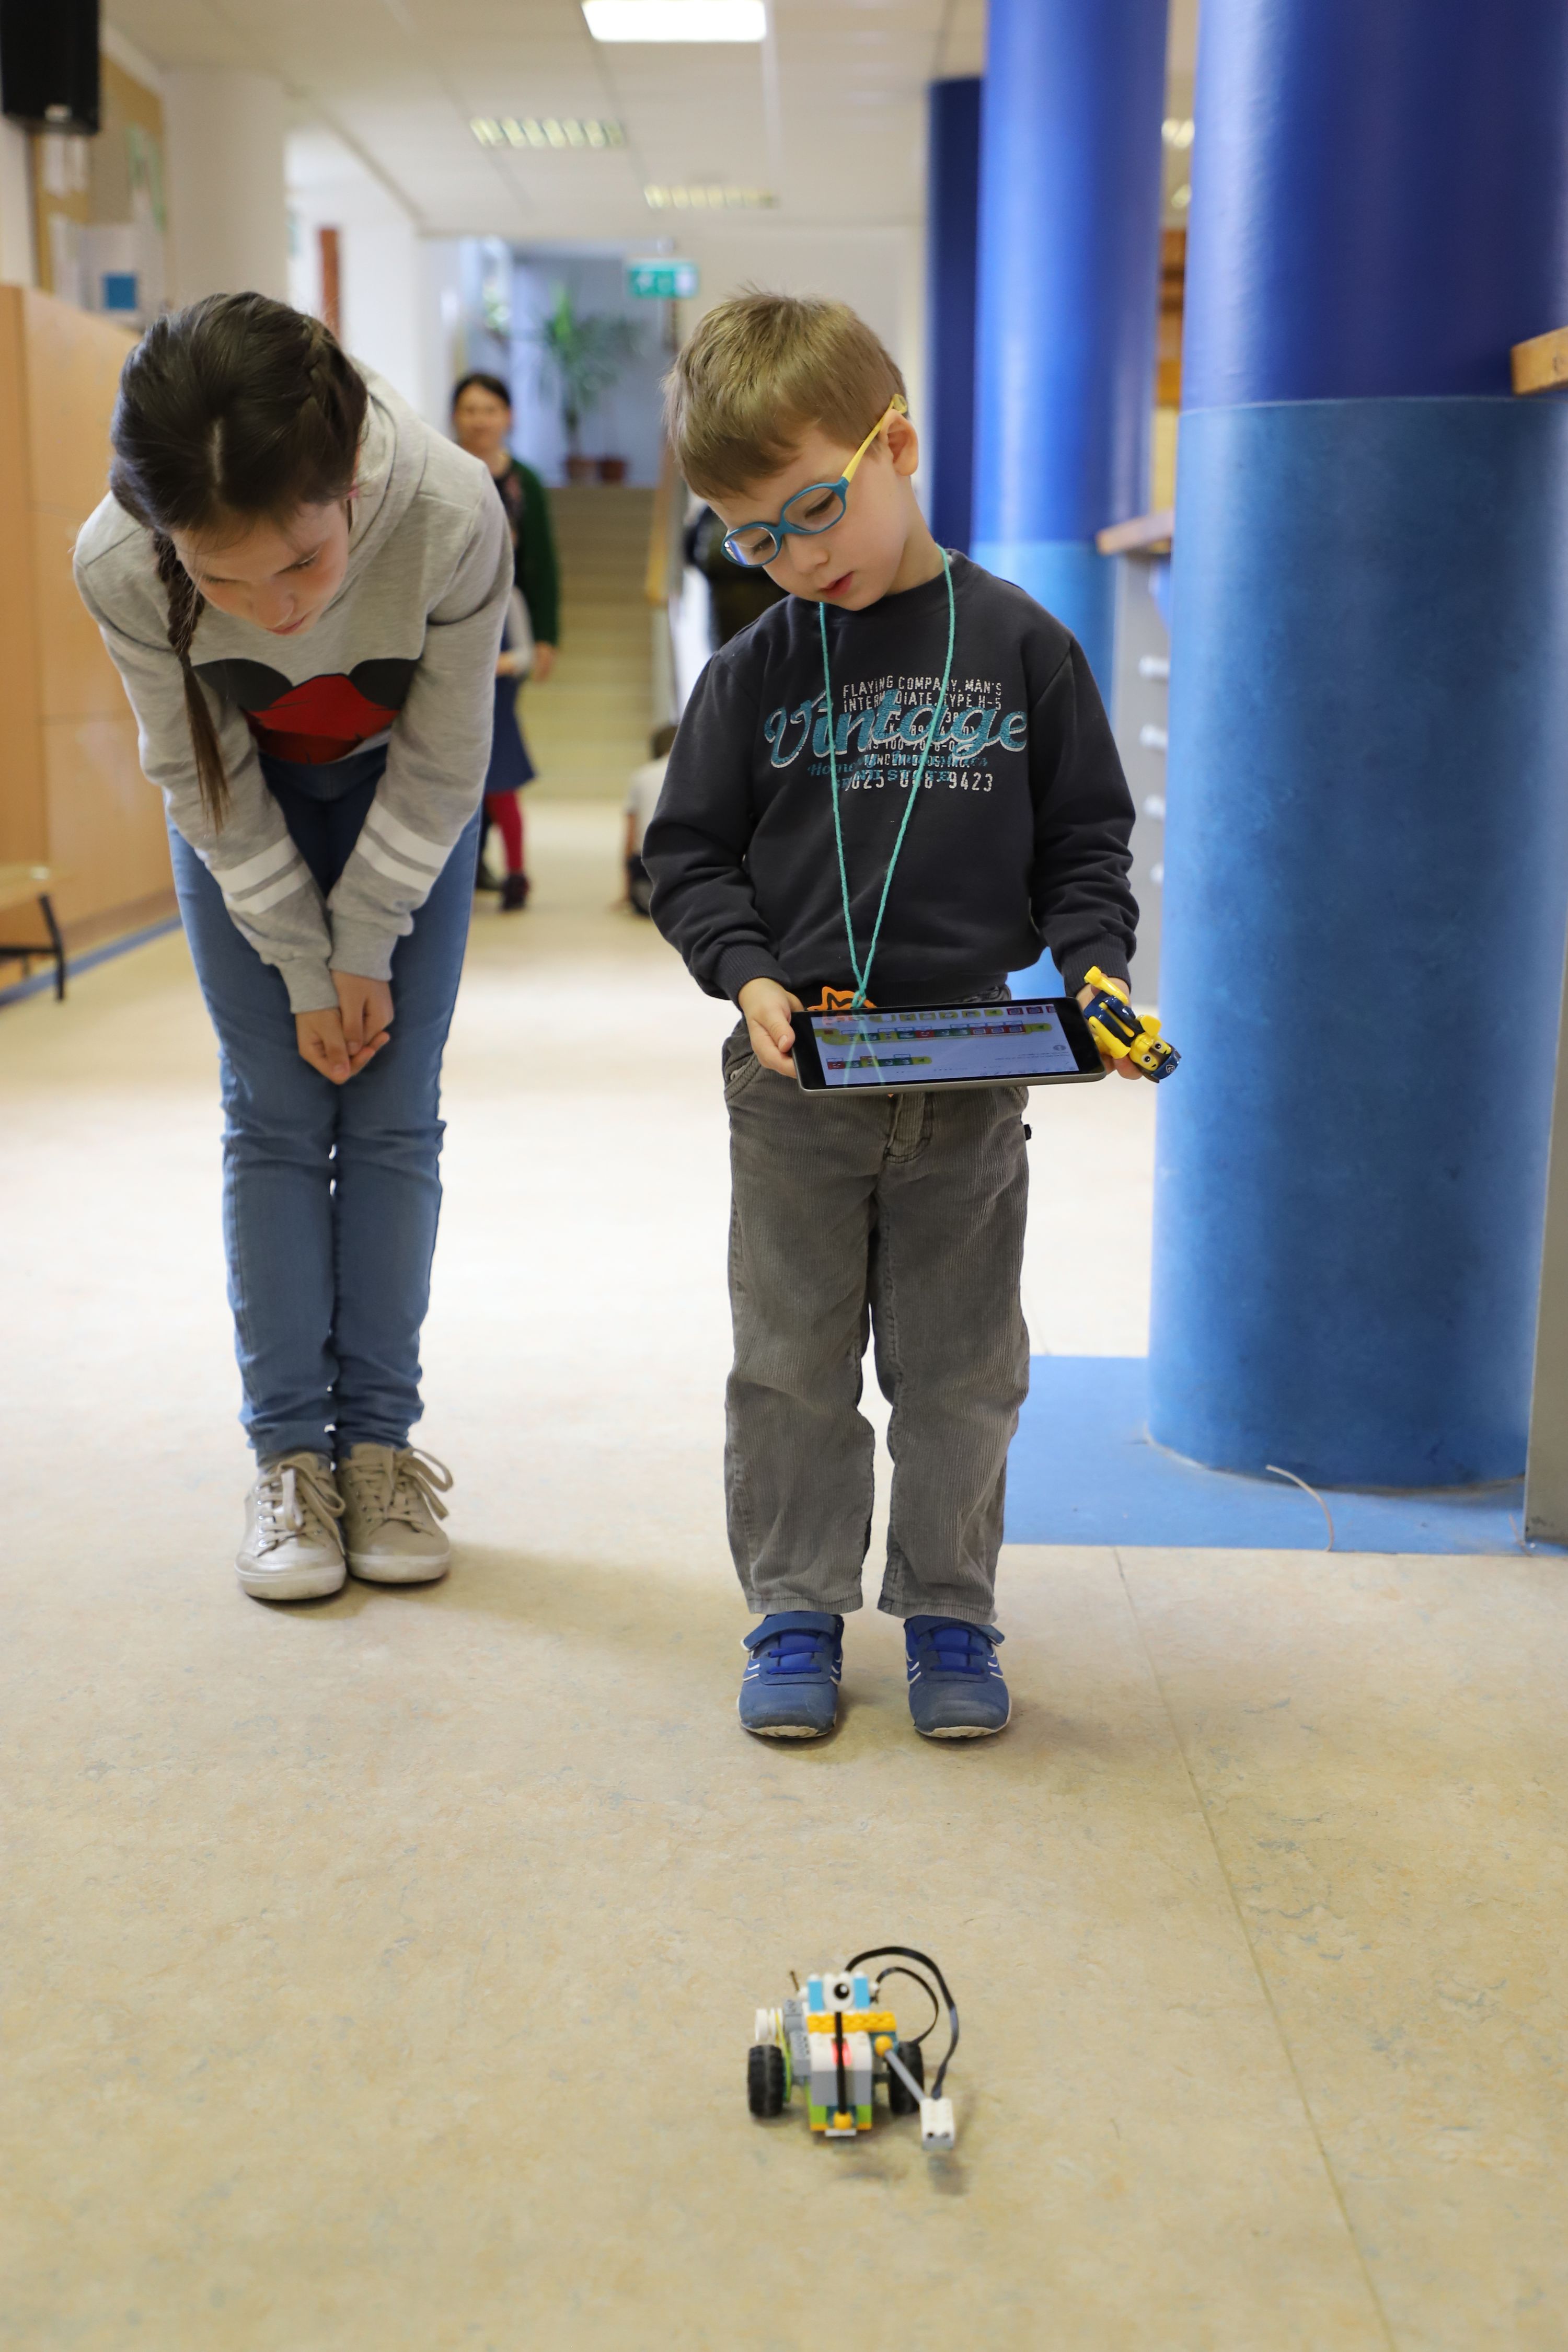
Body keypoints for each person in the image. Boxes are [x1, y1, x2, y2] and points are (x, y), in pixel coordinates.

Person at [643, 293, 1144, 1742]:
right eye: (756, 539)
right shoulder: (751, 672)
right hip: (793, 1082)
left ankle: (949, 1607)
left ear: (898, 446)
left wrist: (1094, 968)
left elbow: (1083, 847)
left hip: (969, 1076)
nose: (798, 558)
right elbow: (689, 857)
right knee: (789, 1362)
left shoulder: (1024, 646)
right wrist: (746, 972)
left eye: (814, 508)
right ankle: (793, 1604)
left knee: (961, 1369)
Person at [75, 294, 511, 1603]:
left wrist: (365, 940)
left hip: (403, 805)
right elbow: (195, 774)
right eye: (219, 581)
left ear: (349, 487)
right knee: (272, 1115)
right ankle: (288, 1463)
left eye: (304, 566)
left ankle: (376, 1446)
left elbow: (447, 761)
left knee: (391, 1115)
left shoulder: (451, 510)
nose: (268, 613)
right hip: (244, 812)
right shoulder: (119, 558)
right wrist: (303, 962)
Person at [452, 373, 561, 909]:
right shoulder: (445, 471)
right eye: (470, 409)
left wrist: (546, 637)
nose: (480, 419)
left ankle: (488, 862)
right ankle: (470, 864)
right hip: (453, 620)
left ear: (508, 417)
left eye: (490, 409)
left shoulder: (526, 483)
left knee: (493, 757)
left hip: (505, 624)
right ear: (456, 417)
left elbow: (542, 563)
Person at [625, 723, 677, 915]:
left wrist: (625, 891)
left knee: (647, 901)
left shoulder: (641, 775)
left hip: (648, 863)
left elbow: (630, 837)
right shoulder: (703, 773)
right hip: (688, 861)